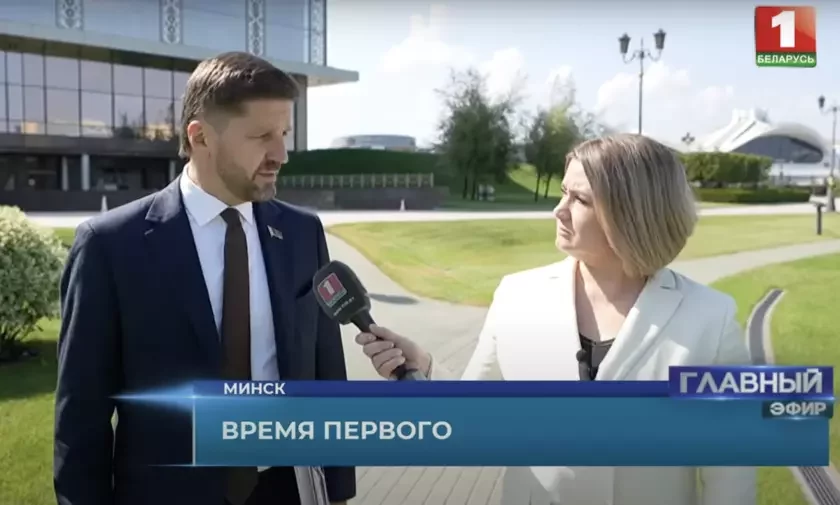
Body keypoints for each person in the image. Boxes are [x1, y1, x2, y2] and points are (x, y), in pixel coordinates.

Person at [355, 134, 756, 505]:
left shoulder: (711, 319)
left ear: (632, 214)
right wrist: (423, 368)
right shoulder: (516, 295)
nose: (558, 210)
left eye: (579, 199)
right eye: (564, 192)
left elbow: (732, 474)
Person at [54, 52, 355, 505]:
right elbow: (81, 418)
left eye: (284, 135)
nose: (281, 154)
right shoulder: (109, 246)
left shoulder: (301, 232)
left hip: (287, 489)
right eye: (262, 136)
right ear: (200, 137)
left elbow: (327, 375)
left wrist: (337, 491)